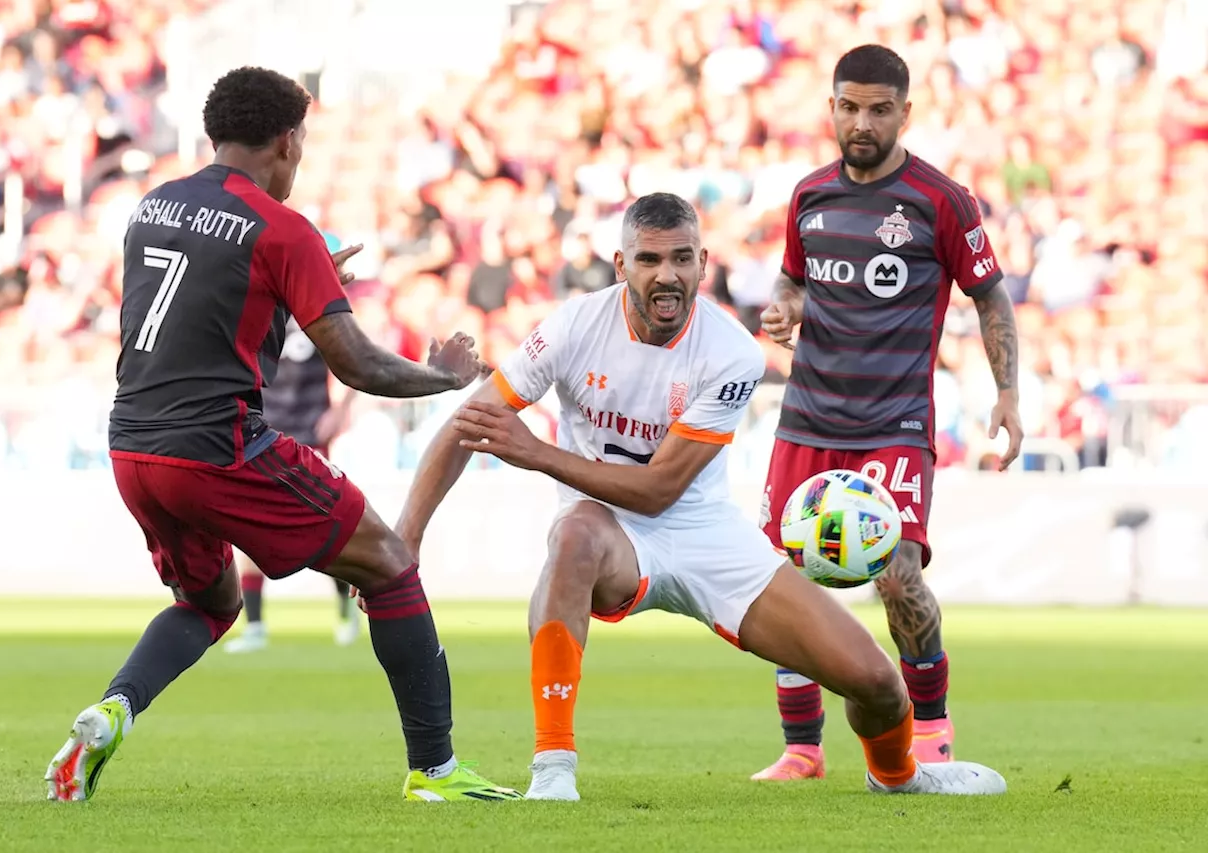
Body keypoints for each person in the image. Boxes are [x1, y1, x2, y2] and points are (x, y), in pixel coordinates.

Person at [395, 191, 1007, 801]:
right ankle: (553, 772)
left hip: (703, 533)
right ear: (620, 265)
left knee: (876, 683)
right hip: (609, 532)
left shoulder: (730, 350)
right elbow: (469, 424)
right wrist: (407, 541)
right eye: (650, 260)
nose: (667, 275)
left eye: (682, 259)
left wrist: (534, 452)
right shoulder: (572, 327)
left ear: (703, 263)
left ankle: (899, 775)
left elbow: (660, 490)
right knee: (574, 533)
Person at [44, 66, 519, 804]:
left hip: (133, 447)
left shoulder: (152, 206)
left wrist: (296, 283)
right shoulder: (282, 228)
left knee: (209, 603)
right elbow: (356, 363)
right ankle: (437, 772)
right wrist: (445, 378)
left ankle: (113, 709)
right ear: (289, 140)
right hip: (217, 447)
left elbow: (201, 309)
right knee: (390, 562)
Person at [751, 45, 1023, 782]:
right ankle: (803, 747)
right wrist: (785, 308)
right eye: (849, 106)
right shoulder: (809, 196)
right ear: (831, 107)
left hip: (893, 426)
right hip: (806, 422)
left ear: (906, 111)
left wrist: (1006, 393)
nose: (861, 121)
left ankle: (930, 728)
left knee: (898, 577)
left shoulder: (941, 200)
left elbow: (990, 294)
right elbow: (796, 282)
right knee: (784, 582)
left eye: (878, 109)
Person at [224, 315, 360, 654]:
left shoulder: (316, 308)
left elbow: (357, 357)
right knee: (247, 527)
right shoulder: (255, 305)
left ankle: (345, 606)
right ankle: (255, 625)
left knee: (325, 527)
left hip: (310, 431)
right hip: (261, 430)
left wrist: (341, 409)